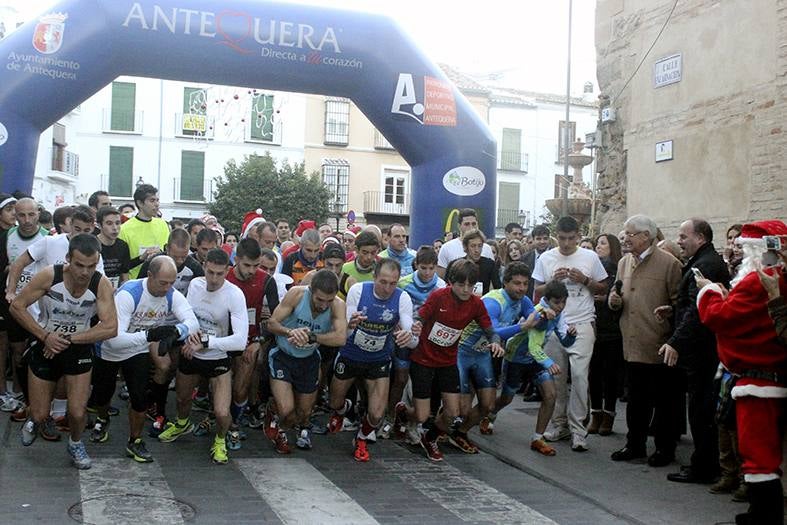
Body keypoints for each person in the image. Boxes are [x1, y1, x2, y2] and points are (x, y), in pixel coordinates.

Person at [697, 220, 787, 525]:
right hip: (762, 376)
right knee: (761, 450)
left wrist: (707, 291)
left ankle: (765, 516)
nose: (739, 251)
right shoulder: (771, 278)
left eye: (745, 247)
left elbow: (721, 317)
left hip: (757, 379)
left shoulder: (757, 280)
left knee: (757, 452)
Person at [12, 234, 117, 469]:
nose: (84, 272)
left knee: (78, 413)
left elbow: (110, 327)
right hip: (45, 342)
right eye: (79, 265)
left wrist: (67, 339)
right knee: (40, 415)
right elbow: (17, 306)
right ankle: (34, 418)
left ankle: (76, 443)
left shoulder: (101, 283)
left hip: (76, 345)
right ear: (68, 258)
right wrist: (45, 336)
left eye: (91, 266)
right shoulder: (51, 275)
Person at [97, 256, 198, 462]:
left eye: (172, 283)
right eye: (163, 283)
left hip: (137, 350)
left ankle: (135, 440)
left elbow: (193, 322)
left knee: (139, 397)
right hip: (109, 348)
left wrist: (175, 331)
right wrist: (150, 336)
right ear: (150, 276)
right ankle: (102, 417)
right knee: (102, 395)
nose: (168, 288)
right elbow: (115, 339)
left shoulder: (171, 293)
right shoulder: (129, 294)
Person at [402, 259, 503, 462]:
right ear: (451, 282)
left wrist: (496, 342)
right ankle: (402, 412)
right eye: (461, 284)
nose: (466, 290)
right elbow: (421, 317)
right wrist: (418, 326)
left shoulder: (476, 304)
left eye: (470, 285)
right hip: (423, 359)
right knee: (421, 415)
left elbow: (490, 330)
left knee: (453, 413)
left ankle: (430, 438)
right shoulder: (439, 296)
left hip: (448, 362)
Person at [156, 249, 247, 465]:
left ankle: (220, 439)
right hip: (192, 353)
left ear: (228, 271)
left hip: (217, 357)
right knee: (181, 399)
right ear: (204, 266)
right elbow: (189, 319)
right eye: (210, 272)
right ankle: (182, 424)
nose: (214, 279)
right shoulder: (195, 285)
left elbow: (240, 341)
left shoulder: (234, 294)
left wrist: (204, 342)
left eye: (219, 274)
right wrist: (188, 338)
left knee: (222, 412)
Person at [608, 215, 683, 466]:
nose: (625, 237)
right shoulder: (623, 262)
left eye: (630, 233)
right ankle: (635, 444)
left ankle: (664, 448)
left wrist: (669, 315)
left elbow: (679, 303)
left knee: (663, 402)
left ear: (646, 236)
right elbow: (616, 292)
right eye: (625, 233)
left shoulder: (669, 264)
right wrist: (613, 301)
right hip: (631, 342)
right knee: (636, 400)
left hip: (659, 343)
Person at [327, 259, 418, 461]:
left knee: (377, 414)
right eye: (383, 282)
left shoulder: (402, 298)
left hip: (379, 360)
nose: (387, 288)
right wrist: (351, 324)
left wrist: (409, 336)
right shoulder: (359, 291)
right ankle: (344, 409)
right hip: (351, 355)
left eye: (392, 283)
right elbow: (345, 333)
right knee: (335, 402)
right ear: (374, 277)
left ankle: (361, 438)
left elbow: (411, 338)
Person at [533, 216, 608, 452]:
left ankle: (578, 430)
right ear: (557, 235)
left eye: (571, 238)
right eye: (562, 238)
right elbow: (537, 292)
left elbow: (604, 287)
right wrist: (554, 281)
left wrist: (584, 280)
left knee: (579, 377)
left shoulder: (590, 257)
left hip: (583, 322)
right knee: (555, 377)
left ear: (578, 236)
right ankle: (559, 425)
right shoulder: (546, 258)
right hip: (554, 323)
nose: (566, 243)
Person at [664, 219, 730, 483]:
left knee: (702, 411)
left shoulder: (706, 265)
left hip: (704, 351)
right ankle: (704, 463)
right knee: (701, 408)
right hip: (702, 349)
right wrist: (673, 310)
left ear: (700, 238)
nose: (679, 241)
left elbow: (697, 312)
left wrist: (675, 341)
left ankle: (704, 466)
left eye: (683, 236)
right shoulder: (702, 261)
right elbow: (692, 305)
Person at [452, 261, 538, 453]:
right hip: (463, 352)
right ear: (505, 282)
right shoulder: (494, 301)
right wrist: (522, 326)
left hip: (482, 354)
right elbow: (494, 331)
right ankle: (442, 425)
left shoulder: (522, 300)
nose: (522, 288)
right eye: (517, 283)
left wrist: (542, 312)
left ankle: (460, 432)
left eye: (525, 284)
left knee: (488, 405)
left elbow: (534, 316)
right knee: (462, 409)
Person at [264, 270, 347, 454]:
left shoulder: (338, 305)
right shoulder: (297, 294)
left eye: (329, 300)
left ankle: (286, 422)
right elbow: (272, 323)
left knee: (303, 414)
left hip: (308, 359)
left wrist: (312, 336)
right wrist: (290, 332)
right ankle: (278, 421)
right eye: (319, 300)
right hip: (283, 355)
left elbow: (341, 338)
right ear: (311, 290)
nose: (324, 305)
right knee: (287, 411)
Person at [490, 280, 575, 455]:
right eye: (556, 302)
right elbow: (533, 347)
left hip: (535, 359)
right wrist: (549, 363)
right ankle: (490, 414)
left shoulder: (559, 314)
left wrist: (572, 336)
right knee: (507, 398)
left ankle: (538, 438)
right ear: (547, 300)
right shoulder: (537, 313)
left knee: (550, 395)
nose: (560, 307)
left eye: (563, 302)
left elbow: (564, 340)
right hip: (517, 357)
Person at [223, 238, 279, 448]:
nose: (252, 270)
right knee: (219, 388)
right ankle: (220, 419)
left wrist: (259, 341)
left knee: (240, 389)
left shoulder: (266, 281)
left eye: (256, 266)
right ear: (236, 260)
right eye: (247, 265)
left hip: (249, 341)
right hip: (223, 341)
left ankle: (235, 424)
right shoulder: (224, 277)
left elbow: (276, 319)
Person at [0, 198, 47, 413]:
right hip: (16, 305)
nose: (27, 220)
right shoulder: (8, 236)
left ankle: (41, 397)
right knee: (17, 352)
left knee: (41, 352)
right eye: (21, 215)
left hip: (42, 306)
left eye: (31, 214)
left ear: (39, 213)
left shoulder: (48, 238)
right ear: (15, 216)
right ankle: (21, 395)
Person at [587, 233, 623, 436]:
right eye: (597, 243)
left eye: (602, 243)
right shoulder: (593, 269)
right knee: (594, 373)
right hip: (594, 325)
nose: (598, 247)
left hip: (612, 329)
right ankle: (596, 413)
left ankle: (608, 414)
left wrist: (608, 298)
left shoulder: (617, 269)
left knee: (610, 375)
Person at [119, 184, 169, 278]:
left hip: (160, 282)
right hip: (135, 283)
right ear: (140, 203)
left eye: (157, 200)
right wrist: (142, 258)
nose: (157, 204)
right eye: (152, 200)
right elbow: (121, 266)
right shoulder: (124, 229)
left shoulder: (163, 225)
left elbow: (169, 253)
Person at [436, 209, 495, 278]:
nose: (471, 227)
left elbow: (492, 276)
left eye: (474, 224)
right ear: (459, 226)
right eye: (467, 224)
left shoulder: (487, 248)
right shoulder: (446, 248)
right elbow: (441, 279)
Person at [446, 229, 501, 296]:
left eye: (480, 246)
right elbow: (447, 289)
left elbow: (498, 289)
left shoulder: (490, 265)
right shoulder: (454, 265)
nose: (477, 250)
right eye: (473, 246)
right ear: (465, 247)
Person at [96, 207, 130, 290]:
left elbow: (124, 275)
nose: (115, 228)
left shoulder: (123, 245)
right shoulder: (92, 245)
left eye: (118, 223)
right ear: (99, 225)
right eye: (109, 223)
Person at [339, 231, 380, 298]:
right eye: (365, 252)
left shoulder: (380, 270)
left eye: (373, 253)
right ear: (356, 250)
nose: (369, 257)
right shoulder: (345, 268)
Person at [522, 224, 551, 300]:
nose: (542, 242)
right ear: (533, 239)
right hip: (530, 300)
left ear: (549, 239)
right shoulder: (525, 258)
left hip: (551, 300)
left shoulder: (555, 256)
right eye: (538, 239)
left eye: (545, 238)